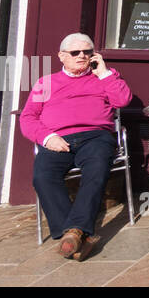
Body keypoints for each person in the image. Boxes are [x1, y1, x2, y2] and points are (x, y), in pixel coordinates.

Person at [20, 32, 132, 261]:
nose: (82, 56)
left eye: (88, 52)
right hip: (56, 139)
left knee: (96, 170)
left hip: (96, 137)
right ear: (62, 56)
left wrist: (103, 73)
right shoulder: (46, 83)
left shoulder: (105, 77)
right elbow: (27, 117)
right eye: (75, 52)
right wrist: (47, 137)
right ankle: (78, 235)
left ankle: (73, 233)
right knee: (42, 176)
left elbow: (123, 101)